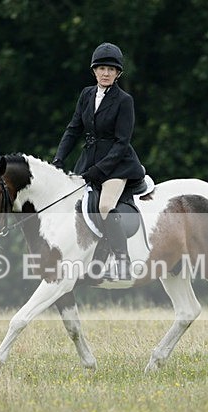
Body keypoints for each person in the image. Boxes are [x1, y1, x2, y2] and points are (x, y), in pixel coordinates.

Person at [52, 42, 145, 281]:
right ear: (94, 70)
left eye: (111, 69)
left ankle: (122, 262)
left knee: (104, 206)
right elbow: (73, 129)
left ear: (118, 74)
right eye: (101, 68)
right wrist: (58, 159)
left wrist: (99, 170)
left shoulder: (124, 100)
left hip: (118, 164)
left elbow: (122, 142)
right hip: (89, 161)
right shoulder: (86, 94)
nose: (106, 73)